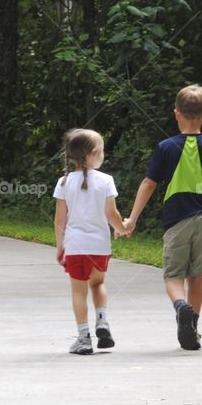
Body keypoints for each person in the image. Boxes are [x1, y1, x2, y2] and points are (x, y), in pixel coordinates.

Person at [120, 84, 202, 350]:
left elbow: (149, 183)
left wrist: (132, 218)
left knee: (173, 276)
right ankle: (192, 326)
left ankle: (180, 306)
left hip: (176, 220)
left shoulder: (166, 147)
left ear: (176, 113)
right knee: (196, 276)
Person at [54, 129, 128, 355]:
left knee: (79, 291)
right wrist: (122, 228)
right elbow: (111, 213)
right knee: (98, 284)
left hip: (75, 247)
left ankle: (84, 337)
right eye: (102, 151)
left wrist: (60, 247)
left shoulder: (64, 182)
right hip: (99, 246)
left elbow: (59, 219)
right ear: (94, 153)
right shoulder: (106, 180)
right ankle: (102, 321)